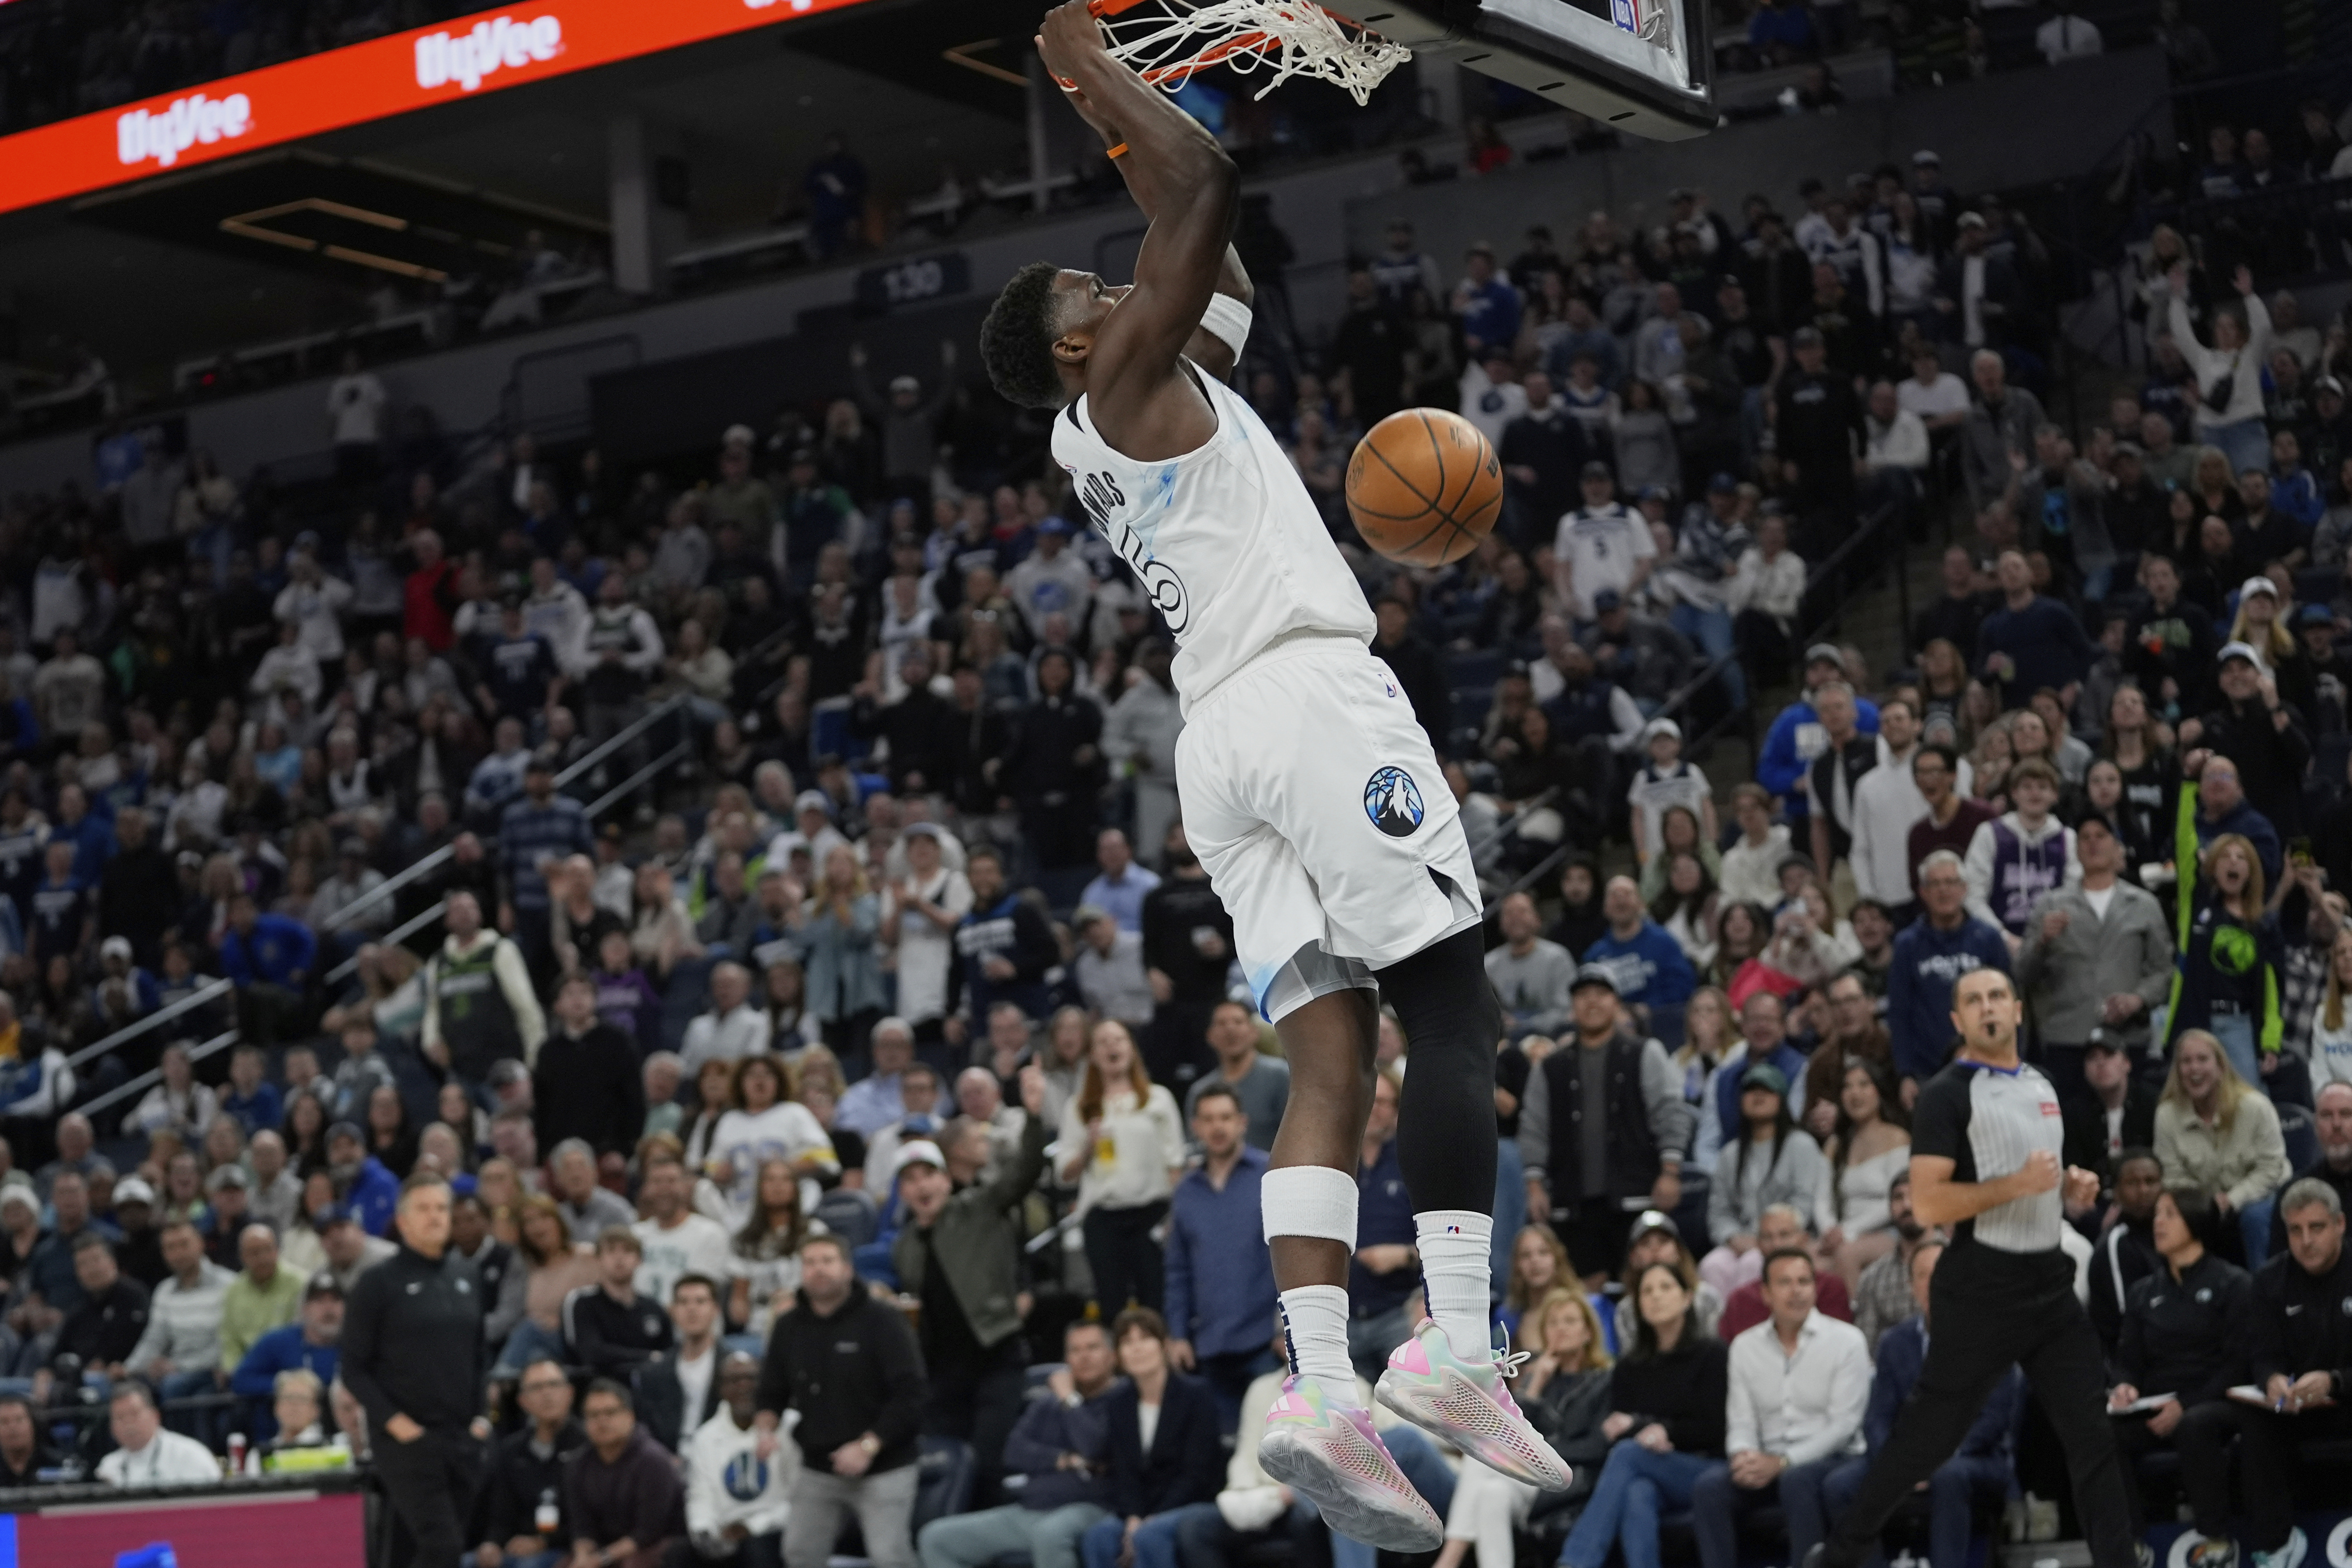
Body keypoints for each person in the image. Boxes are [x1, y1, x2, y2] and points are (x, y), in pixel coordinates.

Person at [981, 8, 1555, 1540]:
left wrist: (1127, 132)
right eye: (1096, 291)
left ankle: (1312, 1386)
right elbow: (1210, 194)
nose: (1124, 280)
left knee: (1327, 1063)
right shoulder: (1117, 385)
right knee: (1451, 1005)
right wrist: (1093, 71)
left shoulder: (1125, 411)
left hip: (1219, 744)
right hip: (1304, 700)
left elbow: (1209, 262)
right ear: (1070, 347)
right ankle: (1445, 1339)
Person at [1800, 967, 2134, 1568]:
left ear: (2015, 1010)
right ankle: (1841, 1555)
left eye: (1997, 996)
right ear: (1957, 1021)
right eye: (1973, 1000)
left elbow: (2044, 1180)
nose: (1987, 1008)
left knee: (2092, 1436)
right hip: (1981, 1287)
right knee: (1925, 1443)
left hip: (2049, 1287)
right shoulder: (1946, 1094)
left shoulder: (2042, 1084)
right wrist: (2016, 1186)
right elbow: (1929, 1203)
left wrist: (2071, 1186)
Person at [893, 1071, 1052, 1502]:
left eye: (929, 1174)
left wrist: (1034, 1116)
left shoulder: (978, 1206)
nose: (922, 1185)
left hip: (996, 1355)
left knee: (987, 1462)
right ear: (902, 1191)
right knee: (947, 1466)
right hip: (942, 1373)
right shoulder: (904, 1246)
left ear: (946, 1179)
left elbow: (1023, 1173)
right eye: (910, 1179)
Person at [2176, 1180, 2352, 1563]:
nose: (2305, 1240)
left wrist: (2335, 1381)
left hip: (2344, 1399)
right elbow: (2262, 1353)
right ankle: (2270, 1545)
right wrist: (2271, 1381)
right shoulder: (2270, 1280)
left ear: (2340, 1224)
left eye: (2316, 1228)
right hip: (2294, 1406)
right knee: (2231, 1421)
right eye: (2295, 1230)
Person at [1820, 1240, 2021, 1568]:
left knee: (1948, 1475)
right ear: (1912, 1287)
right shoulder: (1894, 1343)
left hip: (1975, 1459)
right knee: (1839, 1486)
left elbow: (1992, 1421)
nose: (1935, 1283)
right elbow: (1877, 1419)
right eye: (1924, 1275)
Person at [341, 1172, 490, 1568]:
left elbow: (479, 1354)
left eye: (442, 1208)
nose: (435, 1217)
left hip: (463, 1435)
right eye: (423, 1209)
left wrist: (480, 1419)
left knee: (421, 1548)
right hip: (407, 1440)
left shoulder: (467, 1276)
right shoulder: (377, 1283)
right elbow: (353, 1368)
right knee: (443, 1546)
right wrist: (395, 1423)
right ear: (403, 1220)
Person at [1692, 1246, 1870, 1568]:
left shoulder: (1848, 1341)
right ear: (1765, 1294)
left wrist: (1784, 1462)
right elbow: (1741, 1421)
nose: (1797, 1291)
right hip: (1766, 1463)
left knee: (1796, 1480)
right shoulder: (1744, 1347)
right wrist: (1744, 1457)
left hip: (1831, 1460)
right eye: (1785, 1282)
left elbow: (1843, 1426)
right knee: (1710, 1488)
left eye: (1804, 1281)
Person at [756, 1233, 926, 1568]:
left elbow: (913, 1396)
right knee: (799, 1552)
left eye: (827, 1261)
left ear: (848, 1269)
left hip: (884, 1462)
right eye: (810, 1263)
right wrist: (765, 1429)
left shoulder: (883, 1320)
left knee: (889, 1556)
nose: (818, 1270)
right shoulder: (788, 1326)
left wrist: (867, 1446)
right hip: (819, 1465)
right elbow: (771, 1392)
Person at [1518, 965, 1692, 1280]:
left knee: (1642, 1285)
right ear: (1572, 1007)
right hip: (1572, 1204)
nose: (1592, 1002)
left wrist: (1670, 1171)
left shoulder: (1644, 1052)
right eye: (1582, 995)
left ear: (1616, 1003)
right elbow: (1533, 1127)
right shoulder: (1550, 1066)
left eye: (1601, 994)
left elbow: (1670, 1112)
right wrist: (1534, 1186)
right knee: (1585, 1295)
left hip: (1636, 1196)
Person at [1555, 1262, 1728, 1568]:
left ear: (1687, 1298)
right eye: (1646, 1291)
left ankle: (1575, 1562)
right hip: (1648, 1469)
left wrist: (1662, 1431)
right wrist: (1643, 1431)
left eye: (1665, 1287)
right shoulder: (1629, 1367)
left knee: (1628, 1455)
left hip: (1704, 1469)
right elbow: (1614, 1430)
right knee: (1637, 1493)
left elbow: (1715, 1428)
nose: (1655, 1297)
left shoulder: (1712, 1355)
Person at [2104, 1184, 2252, 1539]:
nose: (2158, 1223)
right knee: (2101, 1432)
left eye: (2169, 1214)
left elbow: (2238, 1365)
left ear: (2196, 1221)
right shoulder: (2143, 1292)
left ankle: (2215, 1538)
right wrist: (2124, 1387)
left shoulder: (2233, 1283)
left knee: (2194, 1425)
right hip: (2155, 1405)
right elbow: (2128, 1361)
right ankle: (2130, 1544)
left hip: (2216, 1402)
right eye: (2157, 1215)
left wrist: (2183, 1405)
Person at [1430, 1288, 1611, 1568]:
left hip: (1574, 1481)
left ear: (1588, 1333)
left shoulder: (1605, 1380)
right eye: (1553, 1323)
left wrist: (1543, 1453)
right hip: (1531, 1480)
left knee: (1485, 1460)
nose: (1560, 1329)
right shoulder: (1535, 1380)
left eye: (1570, 1321)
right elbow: (1509, 1433)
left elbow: (1598, 1446)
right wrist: (1536, 1387)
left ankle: (1449, 1559)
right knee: (1493, 1494)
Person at [917, 1319, 1117, 1568]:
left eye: (1092, 1348)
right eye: (1075, 1350)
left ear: (1112, 1356)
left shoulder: (1121, 1401)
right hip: (1033, 1508)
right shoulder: (1047, 1404)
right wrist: (1065, 1459)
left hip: (1092, 1508)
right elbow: (1014, 1451)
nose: (1084, 1357)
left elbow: (1096, 1446)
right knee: (937, 1538)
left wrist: (1070, 1399)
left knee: (1050, 1534)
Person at [2015, 815, 2172, 1104]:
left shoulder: (2143, 905)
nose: (2092, 843)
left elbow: (2163, 971)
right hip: (2067, 1039)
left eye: (2100, 836)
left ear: (2117, 848)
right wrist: (2041, 942)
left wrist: (2138, 1000)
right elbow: (2022, 974)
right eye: (2084, 837)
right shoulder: (2050, 905)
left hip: (2126, 1040)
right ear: (2076, 850)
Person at [1164, 1083, 1279, 1428]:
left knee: (1278, 1446)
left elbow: (1290, 1255)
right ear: (1195, 1127)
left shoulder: (1269, 1174)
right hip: (1210, 1346)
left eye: (1226, 1118)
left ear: (1242, 1122)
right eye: (1209, 1119)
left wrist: (1284, 1327)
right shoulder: (1185, 1191)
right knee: (1224, 1450)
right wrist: (1177, 1333)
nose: (1218, 1127)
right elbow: (1177, 1270)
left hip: (1265, 1341)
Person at [1077, 1307, 1224, 1568]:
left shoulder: (1196, 1395)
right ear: (1119, 1356)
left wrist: (1151, 1519)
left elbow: (1196, 1473)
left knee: (1149, 1537)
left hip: (1191, 1502)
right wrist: (1134, 1517)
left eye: (1145, 1339)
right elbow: (1123, 1471)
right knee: (1098, 1537)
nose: (1137, 1348)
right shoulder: (1118, 1403)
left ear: (1164, 1346)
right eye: (1127, 1342)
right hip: (1140, 1508)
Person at [1056, 1020, 1184, 1313]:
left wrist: (1175, 1217)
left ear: (1132, 1049)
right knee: (1111, 1303)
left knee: (1156, 1300)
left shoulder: (1158, 1099)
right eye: (1103, 1041)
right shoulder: (1080, 1107)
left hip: (1153, 1215)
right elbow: (1065, 1175)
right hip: (1104, 1218)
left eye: (1119, 1039)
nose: (1112, 1046)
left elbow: (1175, 1163)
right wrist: (1088, 1145)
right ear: (1092, 1054)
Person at [2153, 1029, 2291, 1267]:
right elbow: (2173, 1177)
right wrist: (2206, 1205)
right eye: (2186, 1062)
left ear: (2220, 1067)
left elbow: (2271, 1169)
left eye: (2203, 1059)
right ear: (2178, 1071)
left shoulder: (2256, 1107)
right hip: (2203, 1203)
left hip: (2259, 1195)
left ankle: (2262, 1290)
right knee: (2175, 1217)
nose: (2194, 1068)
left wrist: (2231, 1200)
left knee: (2254, 1217)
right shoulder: (2166, 1116)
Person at [1886, 853, 2010, 1103]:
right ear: (1923, 892)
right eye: (1935, 884)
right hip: (1926, 1074)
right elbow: (1899, 1013)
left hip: (1988, 1066)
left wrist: (2009, 1060)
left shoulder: (1988, 939)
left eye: (1951, 882)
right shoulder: (1907, 945)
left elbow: (2009, 1006)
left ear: (1964, 889)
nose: (1943, 890)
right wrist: (1906, 1073)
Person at [1700, 1065, 1825, 1300]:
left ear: (1782, 1099)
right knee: (1712, 1266)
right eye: (1751, 1090)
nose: (1758, 1096)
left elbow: (1804, 1203)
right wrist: (1734, 1237)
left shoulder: (1801, 1145)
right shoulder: (1730, 1154)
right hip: (1742, 1239)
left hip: (1786, 1240)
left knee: (1752, 1263)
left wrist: (1769, 1237)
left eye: (1767, 1090)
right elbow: (1719, 1212)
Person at [474, 1356, 587, 1568]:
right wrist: (492, 1543)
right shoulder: (510, 1450)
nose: (547, 1394)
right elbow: (500, 1512)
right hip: (518, 1546)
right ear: (523, 1401)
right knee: (467, 1562)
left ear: (569, 1393)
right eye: (536, 1388)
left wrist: (543, 1542)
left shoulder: (588, 1445)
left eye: (554, 1385)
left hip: (568, 1548)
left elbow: (592, 1519)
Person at [568, 1378, 687, 1568]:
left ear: (630, 1416)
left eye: (610, 1412)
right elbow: (583, 1527)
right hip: (608, 1549)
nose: (602, 1421)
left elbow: (648, 1533)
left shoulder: (654, 1460)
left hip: (659, 1548)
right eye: (593, 1415)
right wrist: (582, 1557)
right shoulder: (579, 1463)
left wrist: (600, 1560)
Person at [1180, 1000, 1289, 1151]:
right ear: (1210, 1036)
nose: (1230, 1029)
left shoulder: (1280, 1076)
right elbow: (1195, 1148)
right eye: (1222, 1023)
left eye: (1238, 1022)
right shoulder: (1200, 1091)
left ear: (1254, 1032)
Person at [2269, 1081, 2352, 1254]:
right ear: (2315, 1126)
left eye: (2346, 1114)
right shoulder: (2294, 1192)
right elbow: (2280, 1266)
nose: (2336, 1124)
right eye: (2327, 1115)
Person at [95, 1379, 220, 1486]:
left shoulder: (191, 1455)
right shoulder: (108, 1467)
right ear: (112, 1427)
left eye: (134, 1414)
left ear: (155, 1416)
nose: (128, 1424)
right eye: (120, 1417)